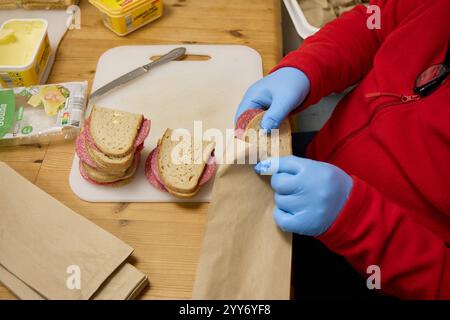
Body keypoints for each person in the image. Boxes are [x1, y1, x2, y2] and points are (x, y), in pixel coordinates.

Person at [235, 0, 449, 299]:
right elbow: (374, 24)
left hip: (377, 273)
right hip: (316, 158)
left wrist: (355, 218)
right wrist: (305, 68)